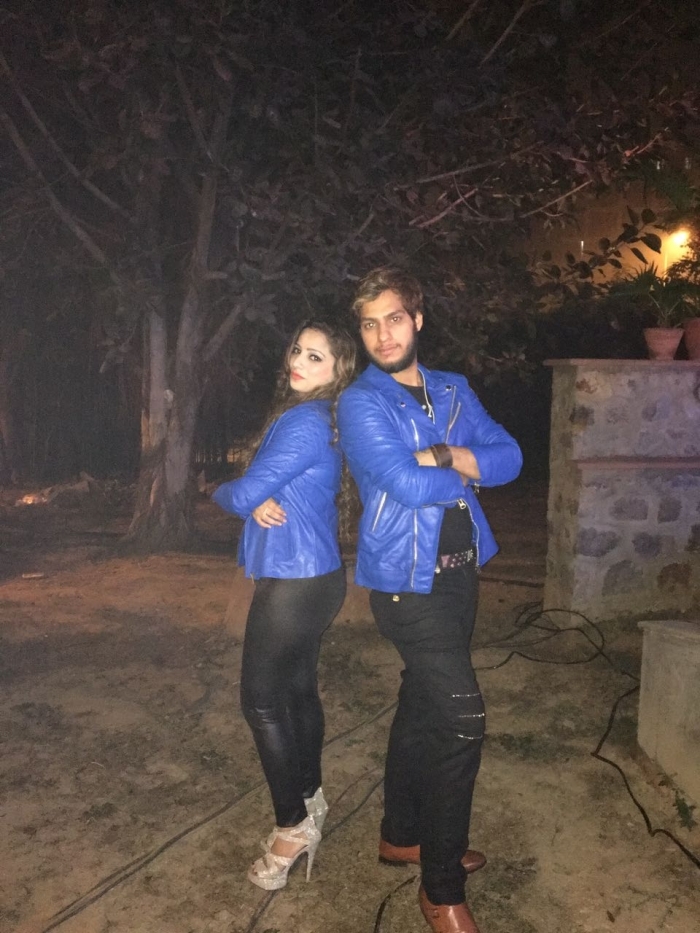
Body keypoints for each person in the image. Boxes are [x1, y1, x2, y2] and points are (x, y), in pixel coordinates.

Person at [337, 268, 522, 933]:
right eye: (369, 324)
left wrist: (442, 453)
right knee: (462, 719)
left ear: (417, 319)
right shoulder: (361, 401)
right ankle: (440, 886)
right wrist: (465, 466)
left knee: (422, 701)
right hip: (403, 583)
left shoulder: (452, 388)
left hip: (460, 575)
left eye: (393, 318)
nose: (382, 335)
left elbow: (512, 457)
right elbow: (401, 484)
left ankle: (401, 834)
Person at [213, 320, 356, 891]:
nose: (299, 360)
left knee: (261, 703)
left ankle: (292, 826)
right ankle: (310, 797)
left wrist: (225, 492)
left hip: (294, 583)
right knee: (296, 693)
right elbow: (268, 490)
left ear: (338, 371)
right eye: (298, 349)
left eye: (316, 357)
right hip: (316, 578)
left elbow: (242, 492)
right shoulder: (323, 418)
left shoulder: (303, 422)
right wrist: (257, 496)